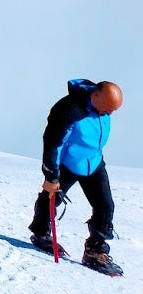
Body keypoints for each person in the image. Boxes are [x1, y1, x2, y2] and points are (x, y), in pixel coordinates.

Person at [27, 79, 123, 275]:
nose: (109, 114)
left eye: (113, 111)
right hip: (67, 164)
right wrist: (52, 176)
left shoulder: (102, 105)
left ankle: (95, 251)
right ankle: (41, 234)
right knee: (51, 197)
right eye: (107, 110)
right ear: (95, 96)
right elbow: (52, 142)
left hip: (94, 162)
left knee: (105, 206)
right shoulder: (69, 111)